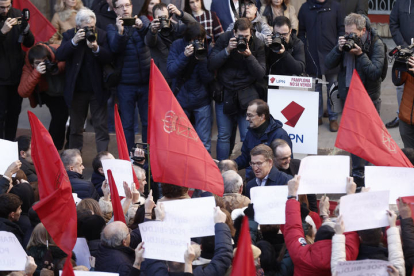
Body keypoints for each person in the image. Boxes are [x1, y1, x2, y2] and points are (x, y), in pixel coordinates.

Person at [325, 13, 385, 184]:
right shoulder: (345, 43)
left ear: (363, 30)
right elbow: (328, 64)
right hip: (349, 96)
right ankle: (358, 173)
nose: (349, 36)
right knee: (354, 137)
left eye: (353, 33)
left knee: (370, 139)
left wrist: (360, 54)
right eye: (347, 33)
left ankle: (371, 174)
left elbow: (375, 73)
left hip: (368, 98)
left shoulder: (376, 44)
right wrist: (338, 48)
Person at [208, 18, 266, 161]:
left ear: (251, 33)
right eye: (240, 36)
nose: (244, 39)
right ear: (234, 32)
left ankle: (250, 172)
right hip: (226, 92)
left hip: (246, 94)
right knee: (224, 135)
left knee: (248, 135)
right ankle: (223, 171)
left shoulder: (257, 44)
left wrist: (249, 56)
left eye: (246, 36)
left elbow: (261, 73)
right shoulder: (224, 39)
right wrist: (227, 50)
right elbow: (211, 64)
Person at [56, 8, 113, 153]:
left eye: (92, 27)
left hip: (97, 89)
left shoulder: (102, 34)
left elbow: (110, 58)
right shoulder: (69, 35)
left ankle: (103, 159)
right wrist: (74, 42)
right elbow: (59, 55)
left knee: (101, 127)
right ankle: (74, 161)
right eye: (86, 28)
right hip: (76, 90)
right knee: (76, 128)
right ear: (78, 26)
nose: (90, 30)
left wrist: (96, 48)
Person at [284, 175, 360, 275]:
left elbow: (293, 228)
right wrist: (350, 196)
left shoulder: (301, 255)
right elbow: (352, 230)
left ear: (315, 238)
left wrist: (292, 195)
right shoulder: (347, 254)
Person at [107, 0, 151, 150]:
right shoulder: (112, 27)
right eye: (120, 6)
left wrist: (142, 27)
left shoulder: (143, 20)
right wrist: (120, 32)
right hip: (125, 84)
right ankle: (129, 156)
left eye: (127, 5)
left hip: (146, 82)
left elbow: (152, 39)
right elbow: (114, 48)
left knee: (147, 122)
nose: (125, 9)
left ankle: (147, 154)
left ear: (132, 7)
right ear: (115, 10)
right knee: (127, 124)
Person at [298, 0, 344, 132]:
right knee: (315, 88)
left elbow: (341, 28)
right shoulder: (305, 8)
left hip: (332, 53)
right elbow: (301, 32)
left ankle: (333, 118)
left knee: (333, 87)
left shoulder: (336, 6)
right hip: (312, 54)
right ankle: (317, 116)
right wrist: (304, 47)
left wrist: (338, 46)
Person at [167, 22, 214, 152]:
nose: (197, 43)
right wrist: (184, 56)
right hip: (181, 99)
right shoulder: (177, 45)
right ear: (187, 39)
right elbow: (171, 71)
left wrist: (202, 58)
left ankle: (205, 172)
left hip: (202, 100)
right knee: (180, 141)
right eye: (194, 40)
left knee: (204, 143)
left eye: (200, 40)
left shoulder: (207, 47)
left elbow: (208, 78)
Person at [18, 43, 68, 150]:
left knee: (71, 119)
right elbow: (23, 92)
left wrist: (56, 67)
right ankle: (54, 148)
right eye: (37, 63)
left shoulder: (57, 51)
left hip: (66, 90)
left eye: (45, 61)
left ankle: (67, 147)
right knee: (59, 118)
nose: (42, 65)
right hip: (49, 94)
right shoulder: (29, 67)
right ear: (31, 64)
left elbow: (69, 61)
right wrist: (36, 73)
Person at [0, 0, 34, 141]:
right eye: (2, 7)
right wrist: (2, 32)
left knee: (13, 113)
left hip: (16, 73)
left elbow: (29, 43)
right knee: (0, 114)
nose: (5, 10)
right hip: (0, 78)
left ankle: (8, 145)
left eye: (8, 6)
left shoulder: (16, 14)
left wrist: (26, 31)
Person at [235, 99, 291, 181]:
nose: (247, 118)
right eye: (247, 115)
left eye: (250, 115)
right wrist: (230, 164)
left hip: (273, 183)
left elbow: (285, 164)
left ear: (262, 116)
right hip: (253, 179)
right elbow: (245, 158)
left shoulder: (280, 135)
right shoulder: (250, 132)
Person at [145, 3, 196, 86]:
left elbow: (194, 25)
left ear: (169, 16)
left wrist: (180, 13)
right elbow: (149, 41)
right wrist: (153, 31)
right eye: (160, 18)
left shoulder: (177, 28)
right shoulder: (151, 31)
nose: (163, 20)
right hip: (163, 78)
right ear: (154, 19)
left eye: (165, 16)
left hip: (180, 75)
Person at [387, 0, 414, 129]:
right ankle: (401, 116)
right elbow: (393, 23)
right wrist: (404, 46)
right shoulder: (400, 2)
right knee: (400, 86)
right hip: (403, 51)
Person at [391, 56, 414, 148]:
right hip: (406, 117)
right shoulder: (411, 54)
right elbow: (398, 81)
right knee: (409, 158)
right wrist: (400, 63)